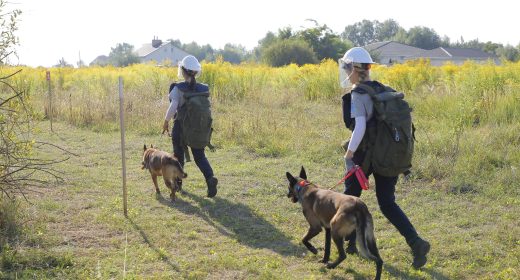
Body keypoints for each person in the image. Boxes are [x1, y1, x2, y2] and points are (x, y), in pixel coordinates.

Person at [338, 47, 430, 269]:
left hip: (366, 154)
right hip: (388, 153)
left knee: (349, 198)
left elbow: (359, 126)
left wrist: (349, 154)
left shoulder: (359, 93)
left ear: (352, 68)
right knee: (387, 203)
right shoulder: (380, 89)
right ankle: (416, 243)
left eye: (346, 67)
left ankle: (346, 243)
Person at [162, 55, 218, 197]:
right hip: (198, 129)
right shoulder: (203, 88)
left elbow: (173, 106)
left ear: (183, 70)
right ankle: (210, 178)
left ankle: (178, 186)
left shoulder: (177, 89)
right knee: (200, 156)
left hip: (181, 128)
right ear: (196, 72)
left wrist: (166, 121)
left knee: (178, 158)